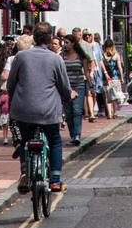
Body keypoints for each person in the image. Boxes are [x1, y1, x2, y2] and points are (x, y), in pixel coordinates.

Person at [8, 22, 73, 193]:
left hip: (23, 111)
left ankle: (24, 172)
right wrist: (68, 98)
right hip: (48, 111)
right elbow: (64, 87)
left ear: (34, 38)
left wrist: (15, 100)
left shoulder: (20, 57)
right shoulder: (56, 59)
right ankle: (55, 181)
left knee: (25, 140)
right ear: (51, 39)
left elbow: (11, 84)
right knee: (55, 140)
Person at [63, 32, 89, 144]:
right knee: (68, 113)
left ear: (73, 43)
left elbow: (86, 72)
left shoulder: (81, 56)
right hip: (66, 87)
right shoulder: (62, 56)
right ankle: (72, 135)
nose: (65, 44)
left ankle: (77, 136)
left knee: (77, 111)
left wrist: (91, 85)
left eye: (67, 42)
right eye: (64, 42)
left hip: (79, 85)